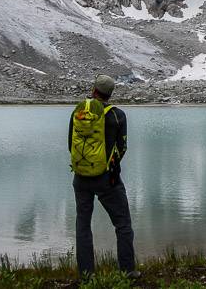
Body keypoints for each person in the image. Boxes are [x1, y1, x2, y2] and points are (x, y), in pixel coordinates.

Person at [69, 74, 139, 279]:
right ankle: (127, 271)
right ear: (110, 94)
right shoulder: (117, 115)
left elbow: (69, 144)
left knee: (83, 225)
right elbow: (122, 147)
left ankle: (86, 275)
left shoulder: (78, 112)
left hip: (80, 177)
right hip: (107, 179)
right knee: (123, 225)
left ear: (93, 90)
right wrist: (110, 167)